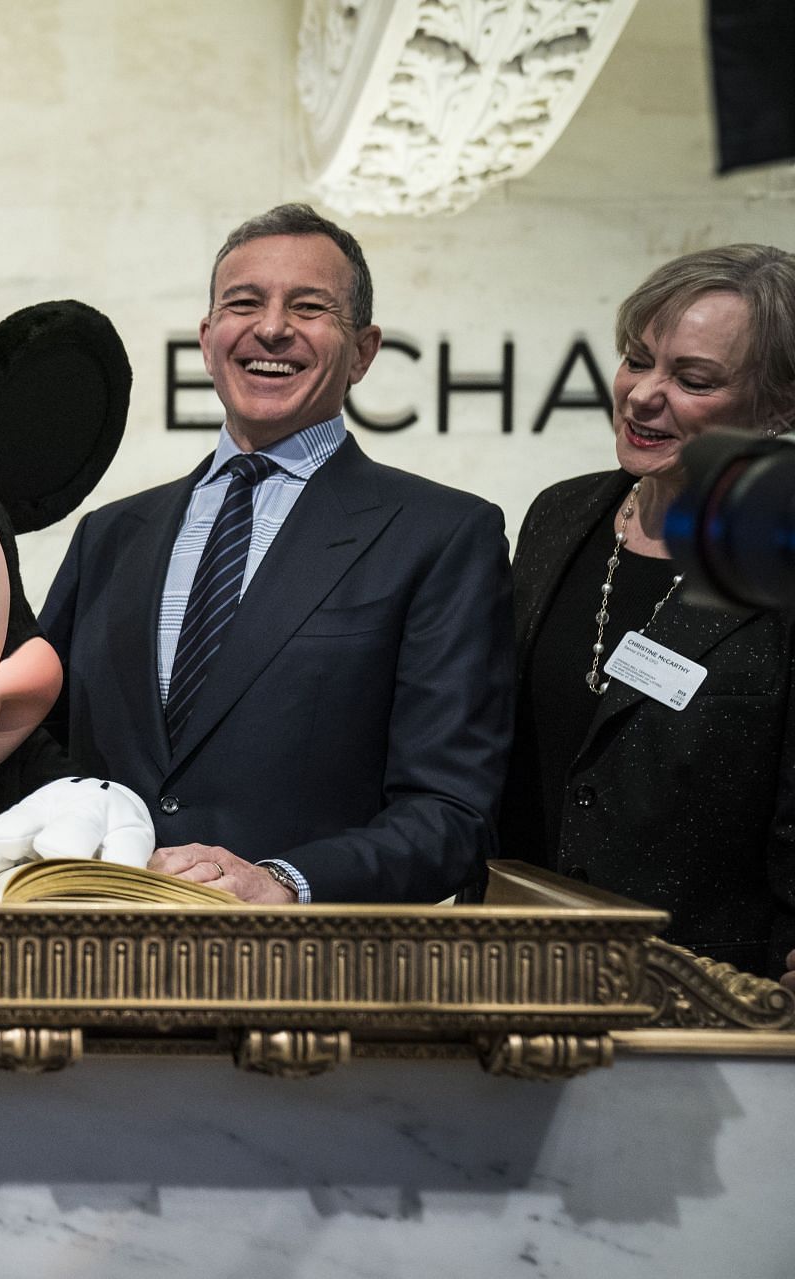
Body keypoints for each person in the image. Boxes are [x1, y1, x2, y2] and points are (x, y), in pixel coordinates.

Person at [40, 203, 513, 905]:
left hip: (304, 979)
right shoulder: (109, 534)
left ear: (363, 350)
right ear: (207, 338)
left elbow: (452, 813)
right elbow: (39, 752)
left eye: (310, 306)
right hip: (100, 959)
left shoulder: (442, 535)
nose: (270, 327)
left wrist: (287, 882)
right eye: (244, 302)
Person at [499, 244, 795, 978]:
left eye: (692, 378)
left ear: (779, 405)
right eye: (637, 358)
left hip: (707, 993)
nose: (641, 394)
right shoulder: (559, 514)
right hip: (517, 964)